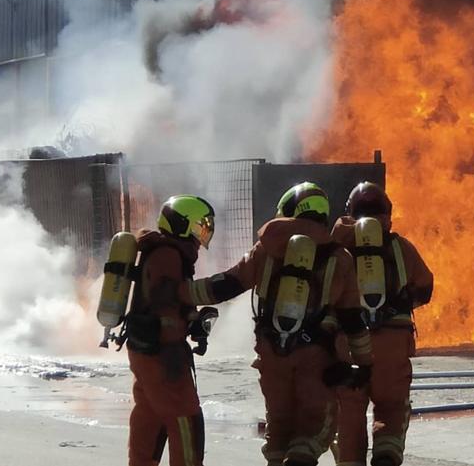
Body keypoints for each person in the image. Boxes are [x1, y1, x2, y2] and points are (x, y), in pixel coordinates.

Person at [182, 182, 373, 466]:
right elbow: (353, 319)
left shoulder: (266, 248)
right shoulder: (340, 258)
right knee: (315, 429)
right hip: (317, 358)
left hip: (271, 355)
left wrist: (181, 292)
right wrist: (365, 364)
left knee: (278, 429)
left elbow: (229, 283)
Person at [331, 182, 434, 466]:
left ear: (350, 212)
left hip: (349, 343)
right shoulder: (401, 248)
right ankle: (386, 457)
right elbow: (425, 288)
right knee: (391, 408)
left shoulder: (337, 249)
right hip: (392, 343)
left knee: (348, 415)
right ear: (387, 213)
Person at [125, 195, 218, 466]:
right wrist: (210, 294)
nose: (203, 232)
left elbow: (167, 303)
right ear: (182, 224)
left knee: (150, 417)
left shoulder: (165, 251)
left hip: (147, 349)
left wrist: (193, 320)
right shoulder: (169, 254)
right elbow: (167, 298)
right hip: (164, 354)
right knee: (186, 419)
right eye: (200, 225)